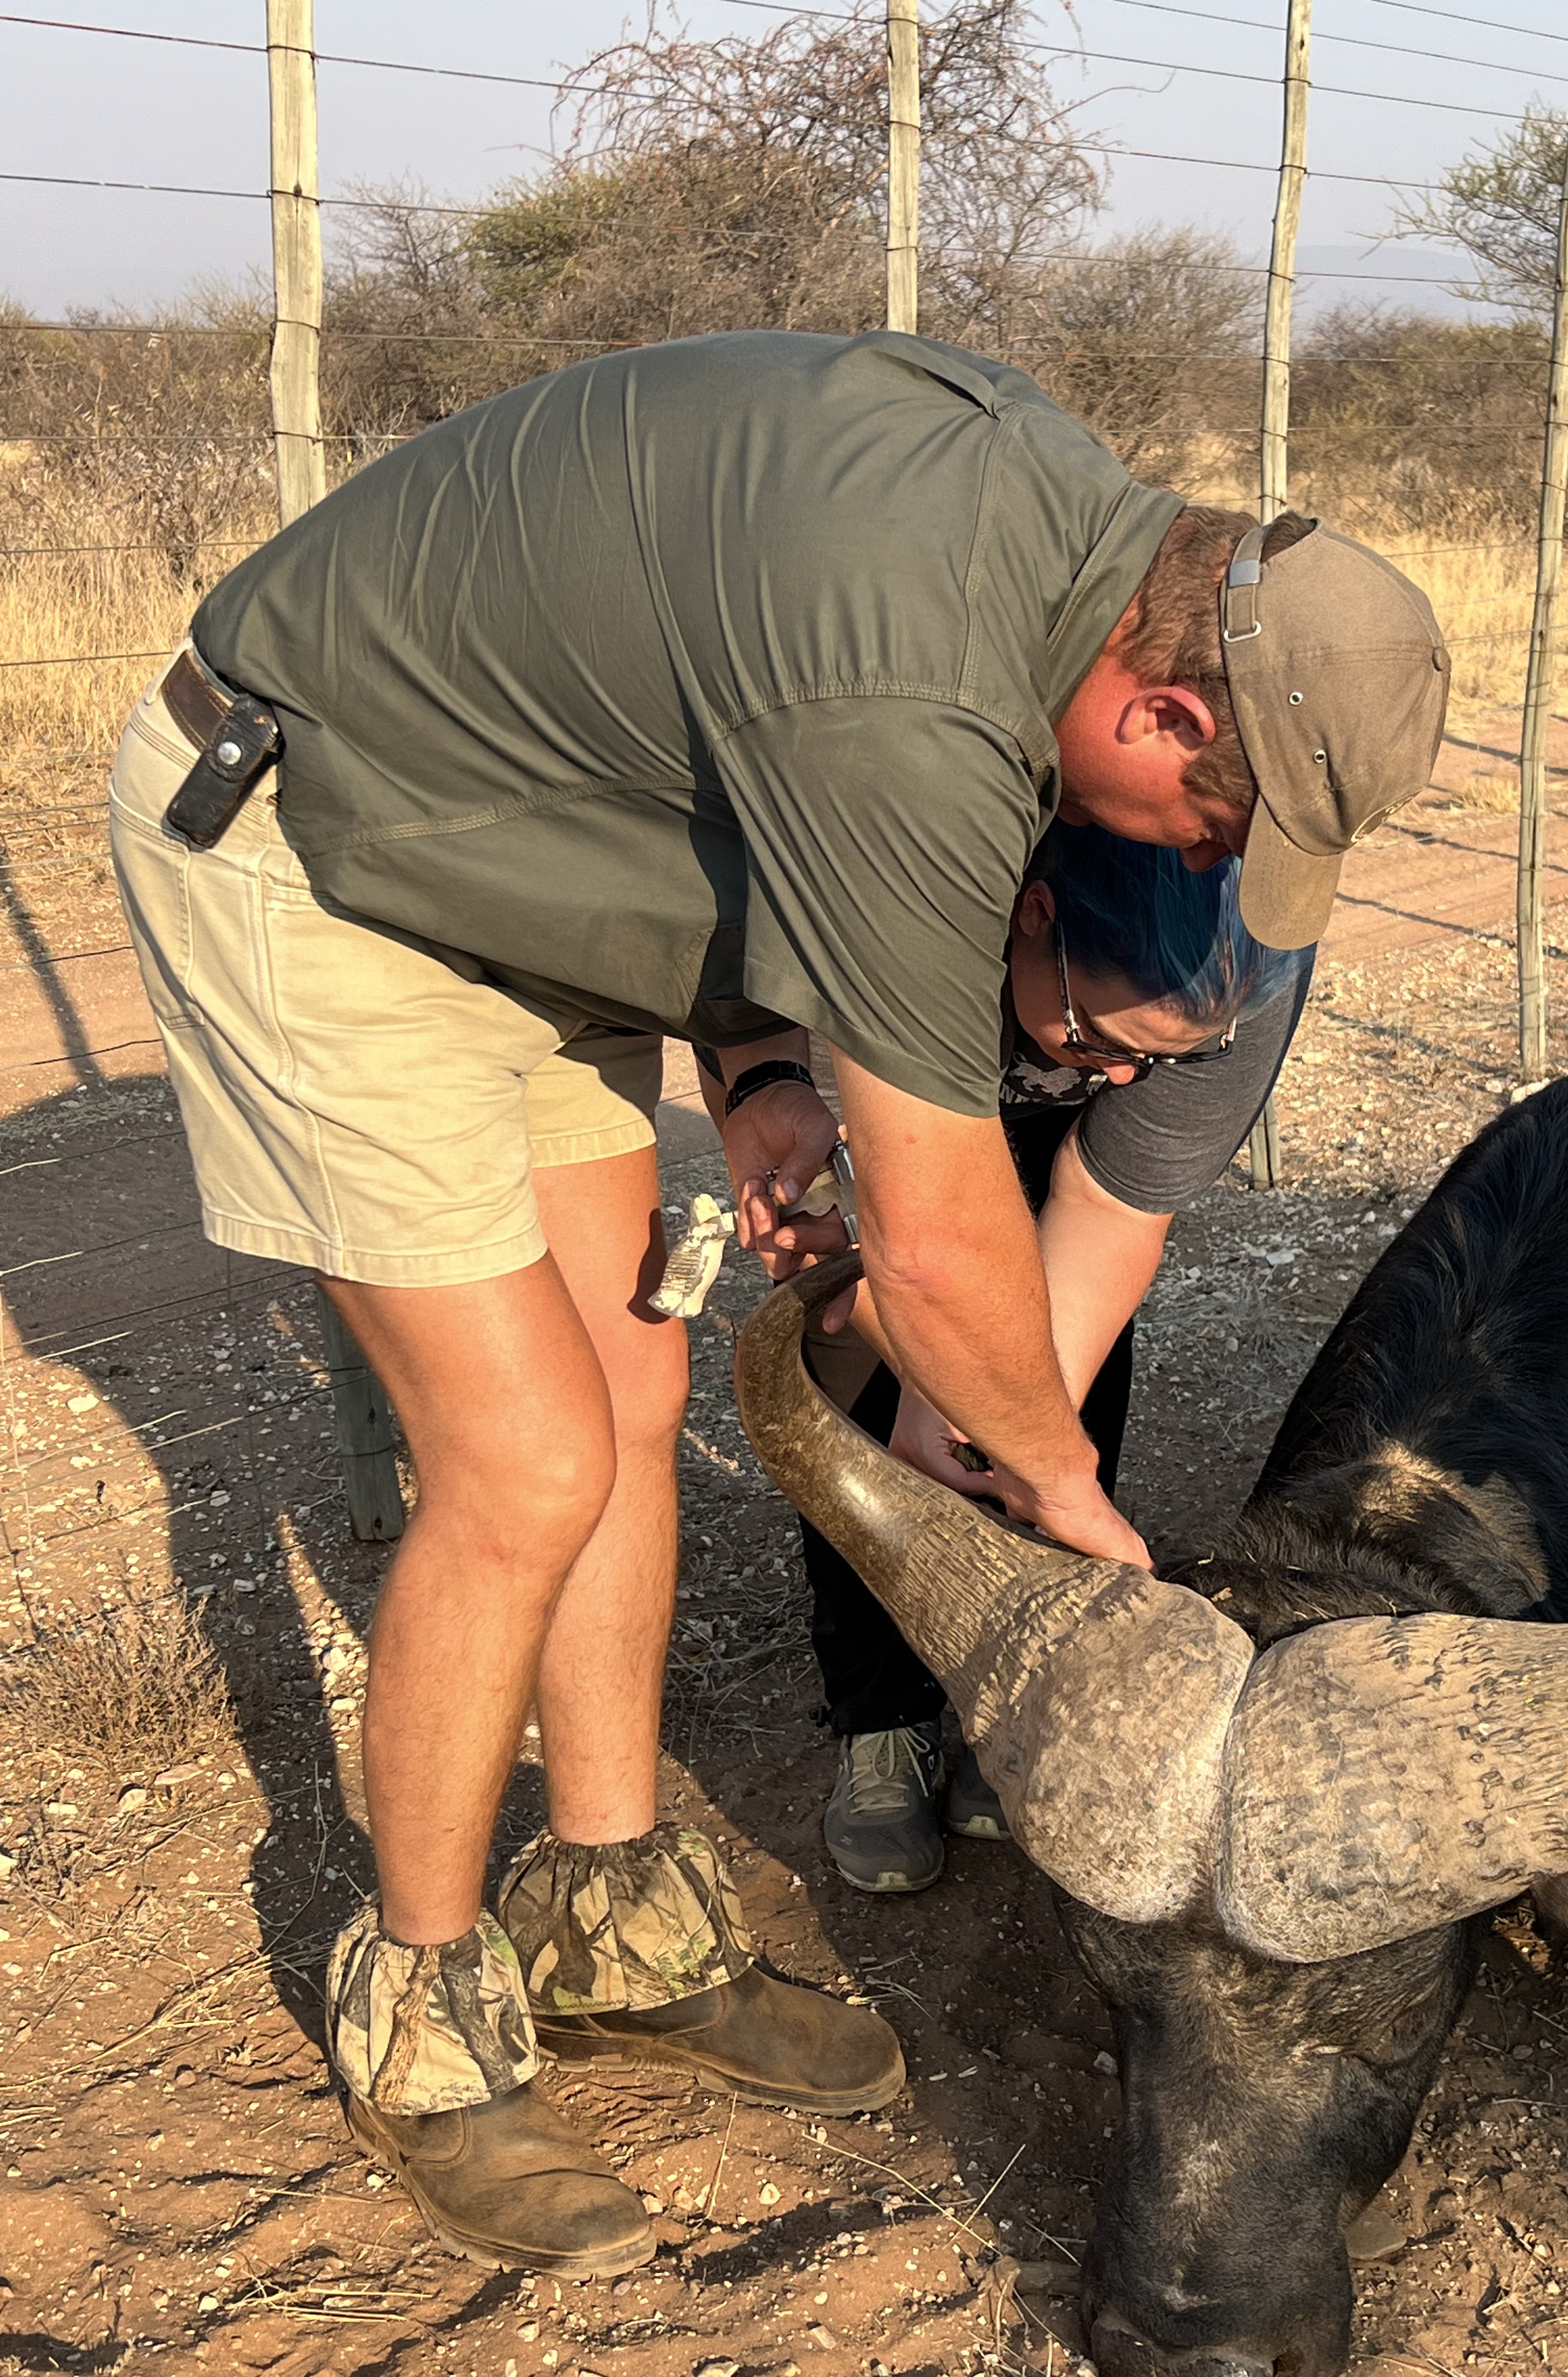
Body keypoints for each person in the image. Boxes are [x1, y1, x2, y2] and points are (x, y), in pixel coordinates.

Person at [107, 327, 1448, 2277]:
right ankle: (421, 2009)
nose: (1212, 867)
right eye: (1218, 826)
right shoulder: (920, 694)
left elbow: (701, 755)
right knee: (527, 1456)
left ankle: (616, 1918)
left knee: (631, 1411)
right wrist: (1074, 1507)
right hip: (322, 851)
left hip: (520, 862)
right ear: (1159, 710)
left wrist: (748, 1076)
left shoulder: (1042, 571)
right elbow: (937, 1233)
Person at [784, 830, 1311, 1892]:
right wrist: (921, 1375)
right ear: (1029, 916)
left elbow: (1109, 1215)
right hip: (907, 1092)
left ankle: (1006, 1700)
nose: (1125, 1073)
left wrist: (1026, 1446)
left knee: (1058, 1396)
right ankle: (881, 1718)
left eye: (1159, 1059)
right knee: (870, 1396)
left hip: (1052, 1130)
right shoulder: (917, 882)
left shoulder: (1246, 976)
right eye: (1098, 1033)